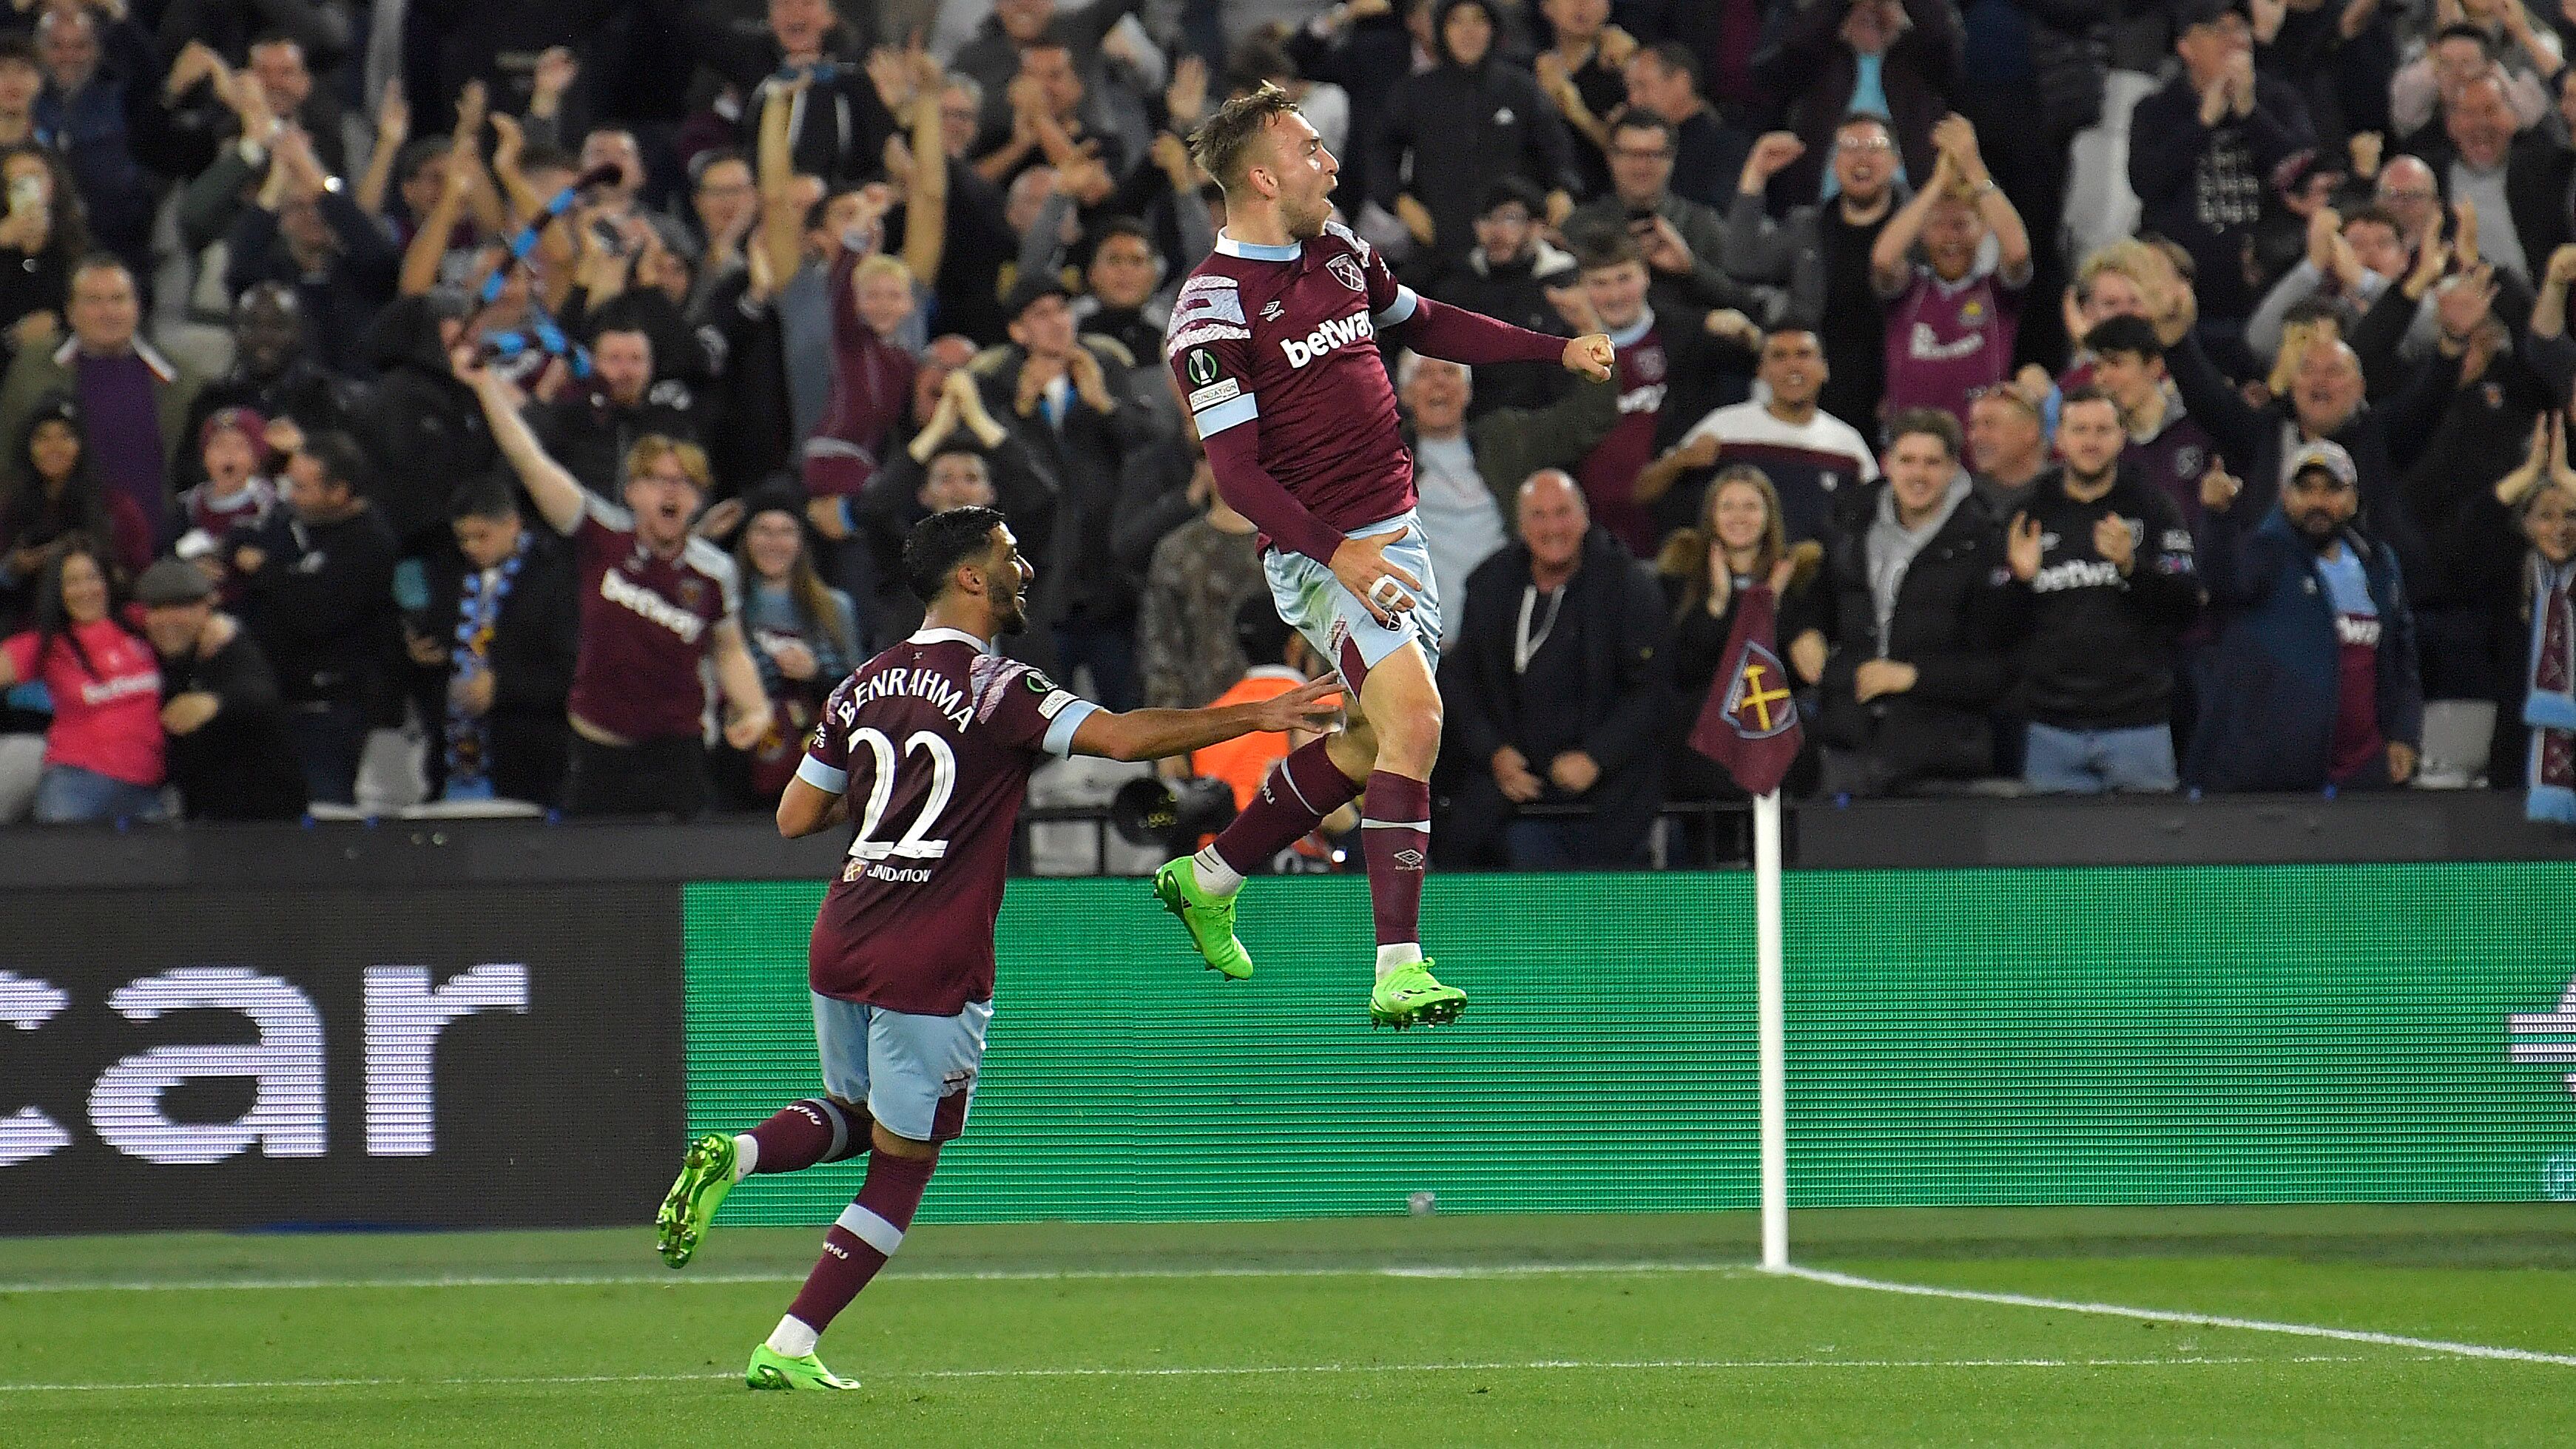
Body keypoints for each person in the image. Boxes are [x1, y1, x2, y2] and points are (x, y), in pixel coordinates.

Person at [652, 505, 1340, 1393]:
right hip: (931, 955)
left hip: (844, 933)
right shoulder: (998, 688)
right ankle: (788, 1344)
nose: (1023, 568)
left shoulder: (859, 682)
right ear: (971, 577)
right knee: (905, 1168)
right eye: (1010, 555)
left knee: (857, 1118)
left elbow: (792, 818)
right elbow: (1125, 739)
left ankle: (737, 1156)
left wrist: (877, 788)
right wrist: (1265, 714)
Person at [1147, 83, 1614, 1029]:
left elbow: (1425, 321)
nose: (1330, 162)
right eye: (1312, 148)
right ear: (1264, 175)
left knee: (1365, 745)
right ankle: (1397, 964)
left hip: (1395, 540)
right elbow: (1235, 476)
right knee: (1417, 724)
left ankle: (1210, 874)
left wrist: (1552, 350)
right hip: (1327, 554)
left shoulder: (1337, 250)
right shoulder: (1210, 311)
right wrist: (1338, 557)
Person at [458, 351, 774, 820]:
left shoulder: (714, 571)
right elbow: (530, 461)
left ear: (698, 497)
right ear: (631, 491)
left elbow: (728, 650)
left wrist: (756, 710)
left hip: (676, 753)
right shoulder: (600, 532)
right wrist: (485, 386)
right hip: (597, 748)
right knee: (598, 885)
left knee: (677, 877)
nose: (672, 491)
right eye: (657, 480)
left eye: (685, 482)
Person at [1440, 469, 1670, 867]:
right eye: (1538, 515)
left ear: (1584, 518)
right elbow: (1461, 683)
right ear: (1521, 524)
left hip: (1604, 777)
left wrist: (1597, 757)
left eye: (1562, 513)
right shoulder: (1490, 583)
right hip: (1509, 774)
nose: (1552, 527)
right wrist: (1494, 752)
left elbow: (1652, 692)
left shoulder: (1629, 586)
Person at [2002, 388, 2202, 794]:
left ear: (2121, 437)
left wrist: (2132, 568)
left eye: (2102, 430)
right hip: (2050, 728)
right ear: (2059, 438)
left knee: (2148, 852)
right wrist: (2019, 581)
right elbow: (1993, 629)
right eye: (2079, 430)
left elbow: (2187, 606)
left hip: (2138, 725)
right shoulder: (2029, 510)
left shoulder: (2153, 506)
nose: (2091, 441)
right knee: (2055, 856)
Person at [2191, 440, 2422, 791]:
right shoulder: (2264, 557)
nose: (2318, 502)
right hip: (2280, 779)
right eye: (2306, 489)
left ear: (2353, 499)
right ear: (2285, 497)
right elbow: (2222, 579)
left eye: (2332, 490)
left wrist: (2404, 733)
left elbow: (2402, 660)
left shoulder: (2378, 563)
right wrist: (2218, 517)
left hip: (2365, 771)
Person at [1813, 408, 2016, 795]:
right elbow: (1817, 599)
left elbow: (2000, 668)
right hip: (1849, 743)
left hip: (1944, 756)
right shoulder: (1850, 522)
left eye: (1932, 462)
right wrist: (1804, 632)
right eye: (1907, 461)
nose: (1918, 475)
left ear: (1953, 468)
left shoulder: (1987, 540)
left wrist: (1912, 677)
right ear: (1887, 463)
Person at [226, 431, 398, 807]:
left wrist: (268, 572)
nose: (290, 495)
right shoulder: (287, 524)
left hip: (336, 708)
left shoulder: (370, 543)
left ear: (339, 492)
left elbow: (317, 611)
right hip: (279, 700)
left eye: (302, 487)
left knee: (324, 817)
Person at [1397, 348, 1622, 636]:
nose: (1439, 383)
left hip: (1507, 630)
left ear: (1468, 391)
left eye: (1450, 372)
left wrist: (1592, 339)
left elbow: (1590, 416)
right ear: (1404, 393)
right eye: (1425, 374)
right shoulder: (1384, 460)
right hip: (1421, 639)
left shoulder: (1506, 439)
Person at [1656, 465, 1826, 811]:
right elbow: (1681, 669)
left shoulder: (1799, 577)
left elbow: (1812, 670)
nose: (1739, 517)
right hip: (1701, 738)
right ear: (1711, 516)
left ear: (1768, 516)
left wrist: (1773, 604)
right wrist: (1717, 602)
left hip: (1775, 731)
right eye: (1728, 506)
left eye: (1750, 506)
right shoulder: (1681, 576)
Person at [0, 259, 202, 549]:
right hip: (60, 558)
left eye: (118, 299)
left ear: (137, 306)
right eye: (94, 301)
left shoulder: (182, 381)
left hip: (158, 551)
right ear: (70, 311)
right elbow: (7, 462)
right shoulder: (31, 373)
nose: (108, 312)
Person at [409, 478, 579, 808]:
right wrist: (419, 656)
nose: (471, 546)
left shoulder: (554, 579)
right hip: (452, 764)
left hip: (527, 766)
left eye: (481, 536)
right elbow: (437, 646)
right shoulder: (448, 574)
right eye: (463, 538)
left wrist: (503, 688)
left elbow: (568, 670)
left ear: (513, 524)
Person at [1727, 116, 1906, 430]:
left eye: (1874, 148)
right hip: (1819, 393)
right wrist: (1756, 171)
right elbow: (1742, 261)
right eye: (1849, 148)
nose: (1861, 158)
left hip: (1898, 391)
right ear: (1833, 163)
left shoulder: (1917, 230)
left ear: (1895, 162)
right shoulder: (1806, 226)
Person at [1633, 326, 1878, 546]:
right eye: (1779, 356)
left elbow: (1877, 517)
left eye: (1803, 355)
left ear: (1824, 369)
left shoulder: (1848, 445)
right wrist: (1679, 461)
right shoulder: (1722, 427)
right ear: (1762, 371)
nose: (1793, 366)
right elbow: (1642, 493)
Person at [1869, 113, 2034, 429]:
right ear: (1922, 231)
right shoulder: (1911, 291)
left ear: (1983, 229)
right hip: (1911, 453)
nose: (1950, 237)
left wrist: (1974, 167)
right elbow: (1883, 259)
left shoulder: (1995, 292)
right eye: (1937, 225)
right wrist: (1936, 185)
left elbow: (2017, 251)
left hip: (1980, 454)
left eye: (1960, 225)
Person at [0, 536, 163, 822]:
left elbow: (194, 621)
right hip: (74, 786)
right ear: (58, 592)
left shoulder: (139, 623)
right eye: (72, 582)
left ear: (107, 581)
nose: (85, 590)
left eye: (92, 578)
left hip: (146, 790)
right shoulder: (49, 644)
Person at [133, 556, 305, 821]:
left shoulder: (228, 646)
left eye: (180, 607)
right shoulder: (152, 654)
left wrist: (215, 703)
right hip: (196, 816)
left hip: (263, 819)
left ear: (206, 609)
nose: (167, 620)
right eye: (157, 609)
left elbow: (261, 694)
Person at [731, 488, 863, 804]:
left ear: (802, 542)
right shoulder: (730, 602)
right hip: (742, 763)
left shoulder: (834, 606)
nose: (773, 543)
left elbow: (860, 693)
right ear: (746, 539)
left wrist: (816, 674)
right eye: (763, 531)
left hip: (817, 769)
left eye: (786, 532)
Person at [0, 393, 149, 612]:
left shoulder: (115, 506)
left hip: (102, 619)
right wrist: (14, 569)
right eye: (42, 438)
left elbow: (140, 575)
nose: (54, 447)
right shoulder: (11, 504)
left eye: (66, 437)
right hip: (24, 623)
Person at [1965, 385, 2047, 519]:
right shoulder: (1961, 499)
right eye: (1973, 426)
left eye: (1989, 424)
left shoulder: (2066, 491)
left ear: (2030, 431)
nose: (1975, 436)